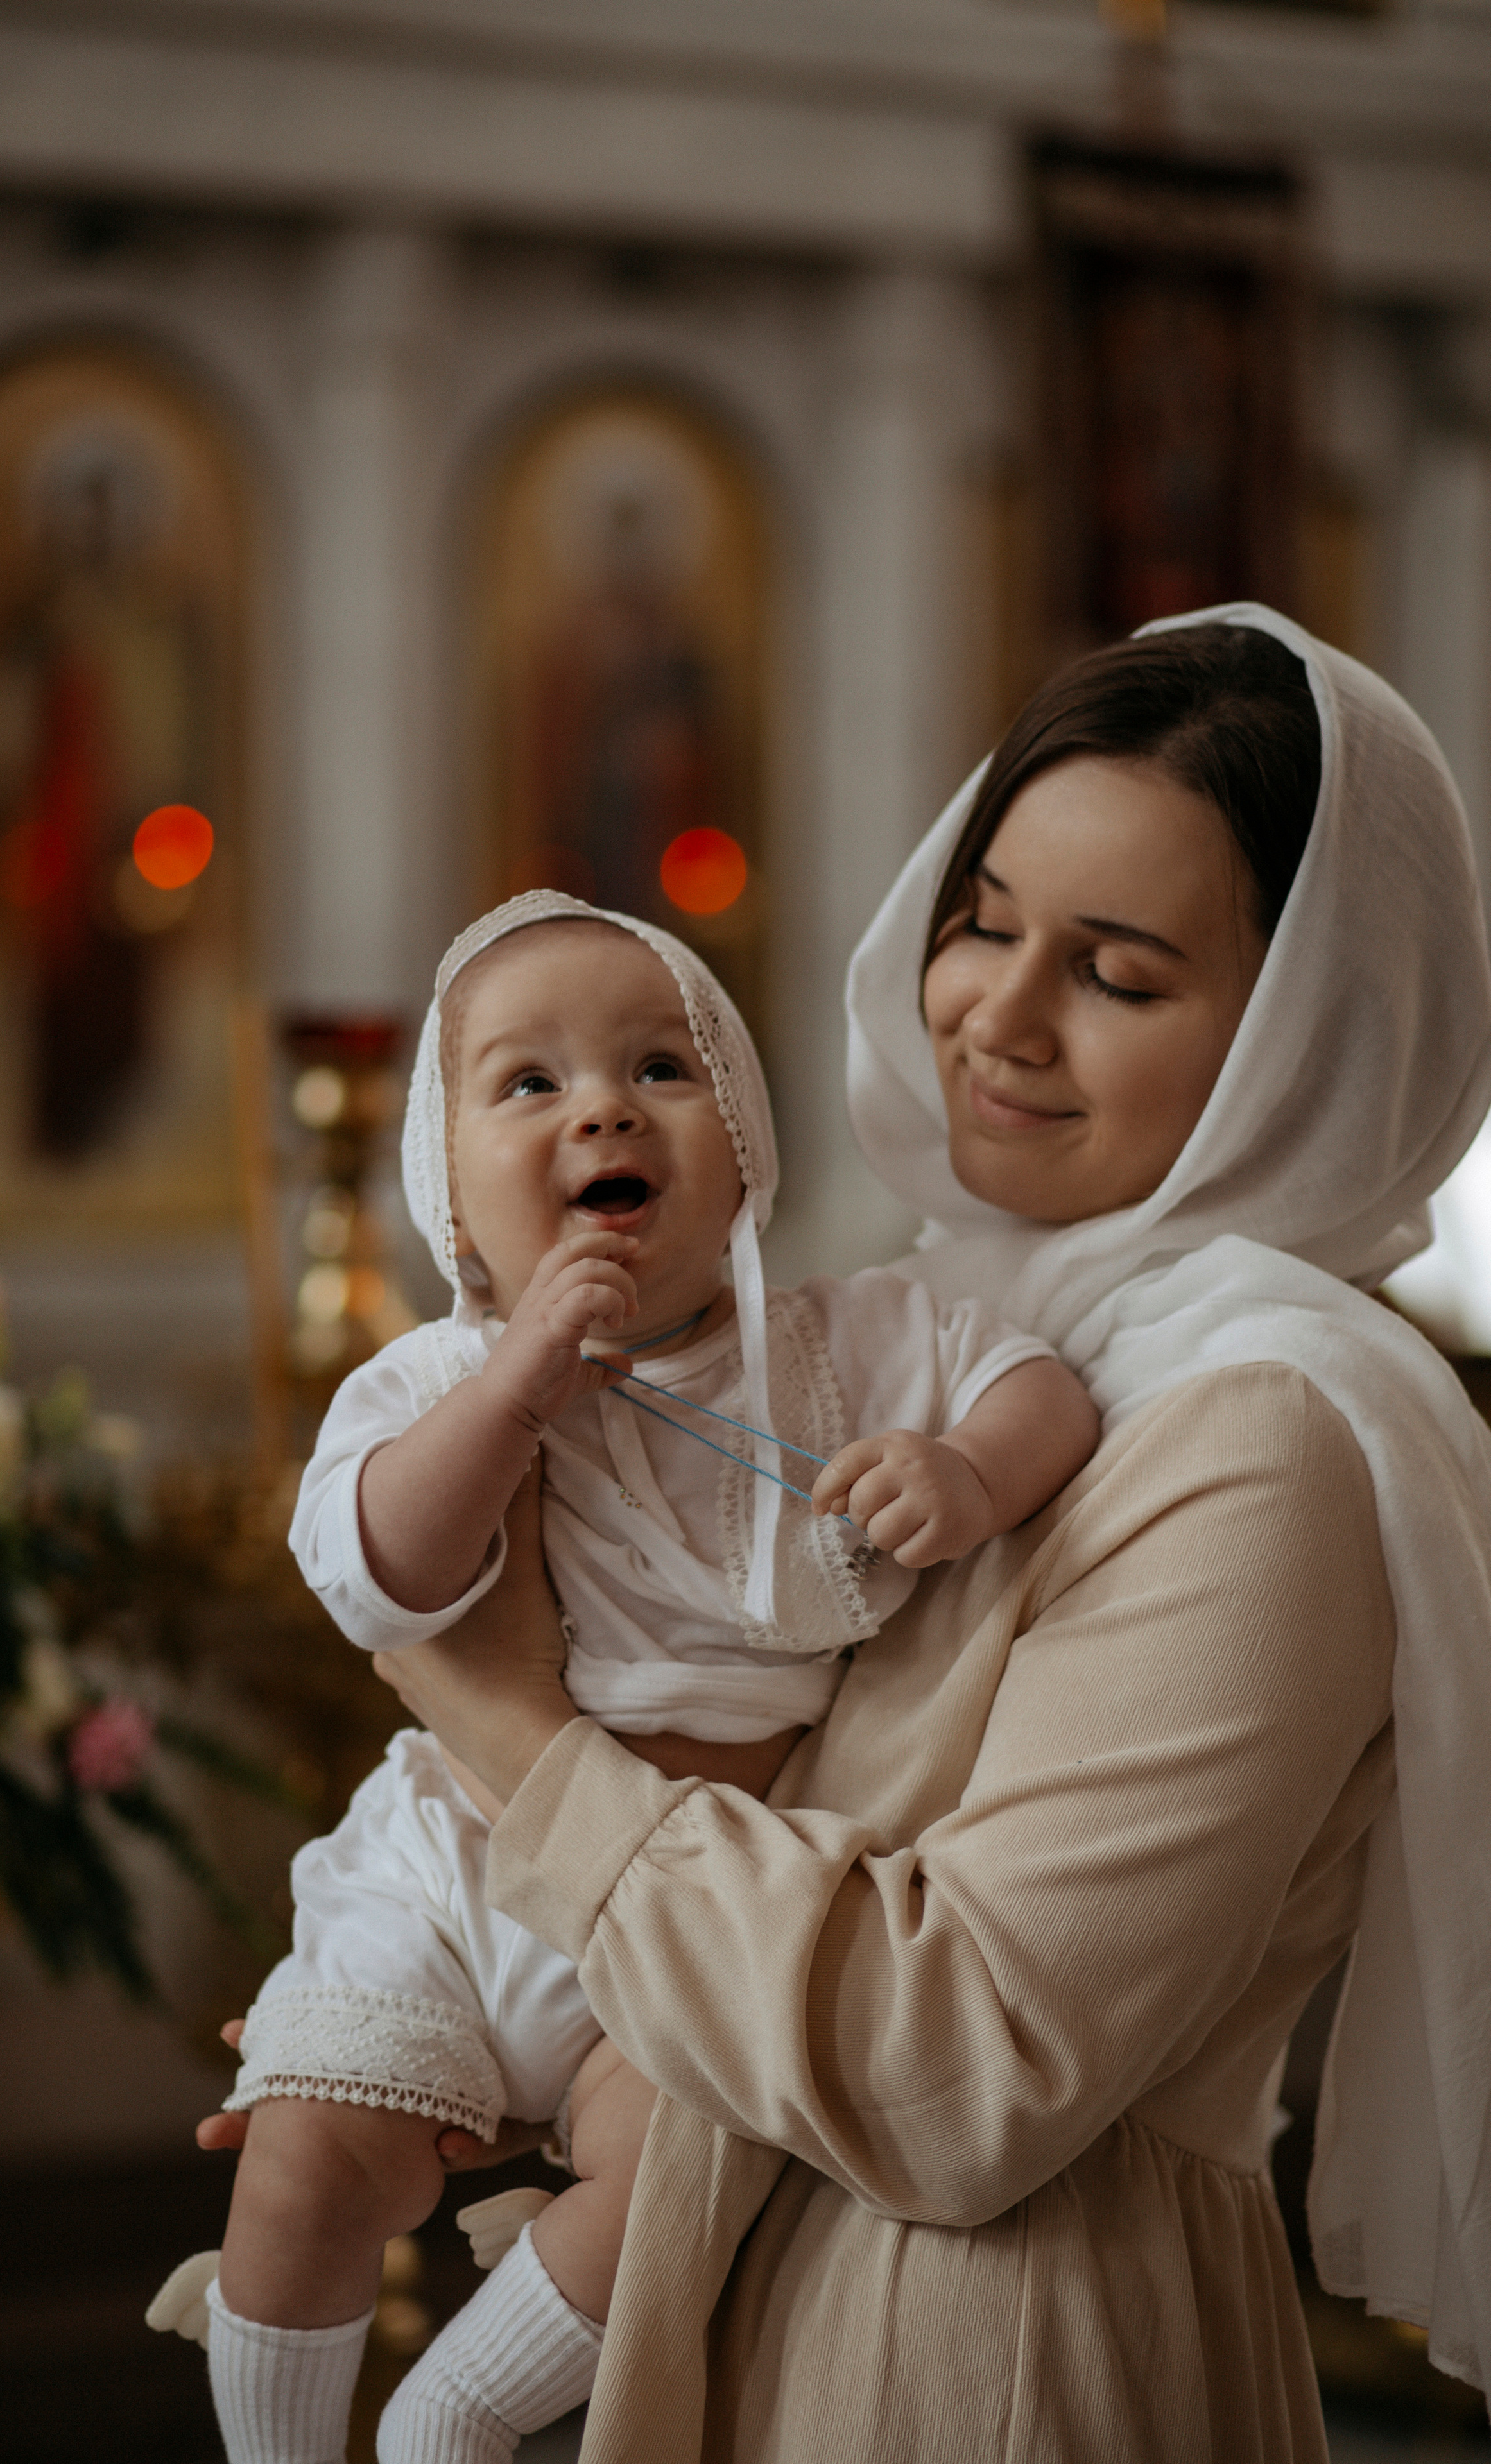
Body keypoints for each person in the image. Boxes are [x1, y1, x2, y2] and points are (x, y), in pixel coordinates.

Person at [374, 606, 1491, 2461]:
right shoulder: (934, 1326)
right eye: (985, 921)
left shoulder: (1273, 1432)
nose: (998, 1014)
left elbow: (962, 2065)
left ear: (1317, 1031)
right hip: (757, 2265)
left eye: (1119, 975)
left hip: (994, 2358)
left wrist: (506, 1727)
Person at [162, 893, 1098, 2464]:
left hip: (691, 1907)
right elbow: (369, 1572)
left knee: (672, 2171)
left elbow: (1037, 1383)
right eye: (526, 1085)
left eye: (662, 1067)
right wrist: (518, 1384)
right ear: (451, 1203)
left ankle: (453, 2417)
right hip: (457, 1873)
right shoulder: (435, 1379)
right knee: (303, 2162)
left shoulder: (842, 1343)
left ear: (739, 1151)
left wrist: (969, 1471)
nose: (600, 1104)